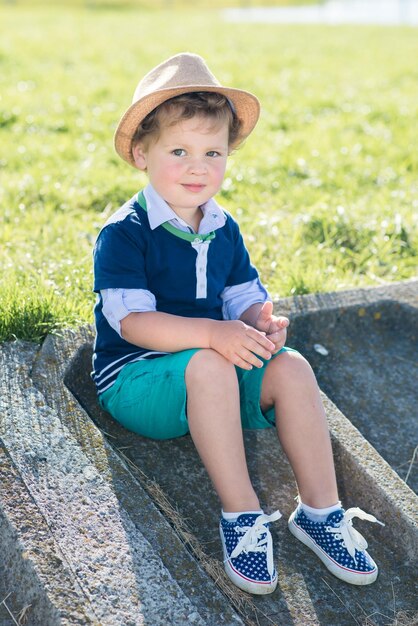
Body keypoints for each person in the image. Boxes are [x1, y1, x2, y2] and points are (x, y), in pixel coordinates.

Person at [92, 52, 383, 595]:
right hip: (138, 381)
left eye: (213, 152)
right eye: (178, 151)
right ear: (141, 153)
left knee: (291, 368)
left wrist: (260, 322)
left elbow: (244, 297)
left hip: (214, 369)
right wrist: (212, 335)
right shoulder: (125, 232)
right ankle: (243, 517)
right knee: (207, 363)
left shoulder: (223, 227)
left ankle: (320, 513)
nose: (198, 167)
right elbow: (131, 323)